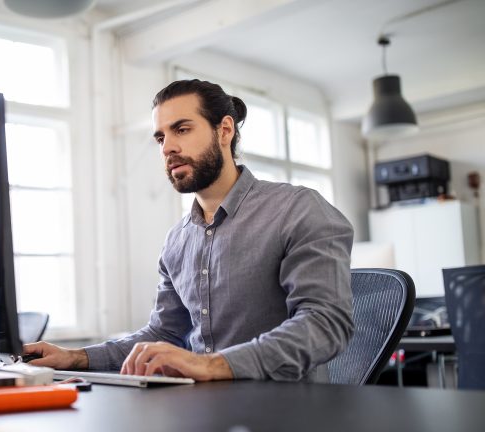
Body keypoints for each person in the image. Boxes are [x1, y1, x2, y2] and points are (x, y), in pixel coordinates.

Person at [24, 79, 354, 382]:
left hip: (284, 412)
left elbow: (325, 323)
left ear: (224, 131)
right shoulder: (177, 241)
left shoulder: (297, 209)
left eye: (181, 129)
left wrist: (213, 365)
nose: (167, 147)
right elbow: (165, 333)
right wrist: (76, 357)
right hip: (201, 409)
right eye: (160, 137)